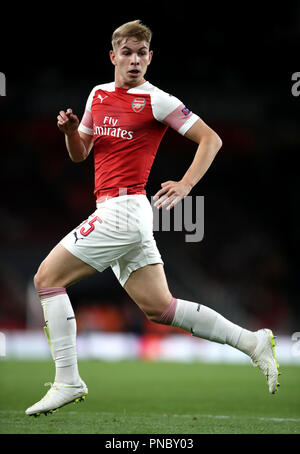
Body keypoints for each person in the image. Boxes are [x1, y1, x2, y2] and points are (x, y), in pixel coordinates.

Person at [25, 20, 279, 417]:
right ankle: (253, 342)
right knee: (159, 307)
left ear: (150, 58)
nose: (135, 60)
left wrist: (186, 183)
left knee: (46, 279)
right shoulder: (98, 94)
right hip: (113, 209)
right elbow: (80, 154)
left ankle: (67, 380)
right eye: (127, 52)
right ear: (113, 56)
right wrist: (71, 132)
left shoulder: (157, 100)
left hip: (126, 210)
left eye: (142, 53)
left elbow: (212, 139)